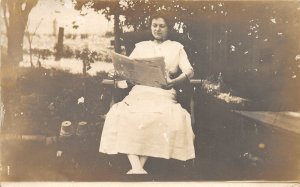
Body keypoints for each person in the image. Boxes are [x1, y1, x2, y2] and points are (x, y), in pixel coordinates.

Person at [99, 12, 195, 174]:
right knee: (122, 114)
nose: (157, 29)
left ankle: (136, 167)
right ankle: (138, 167)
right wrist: (116, 71)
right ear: (150, 27)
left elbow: (189, 71)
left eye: (162, 26)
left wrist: (173, 81)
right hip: (140, 92)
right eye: (154, 25)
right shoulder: (141, 47)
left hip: (163, 92)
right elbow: (128, 69)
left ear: (168, 28)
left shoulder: (176, 47)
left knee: (158, 117)